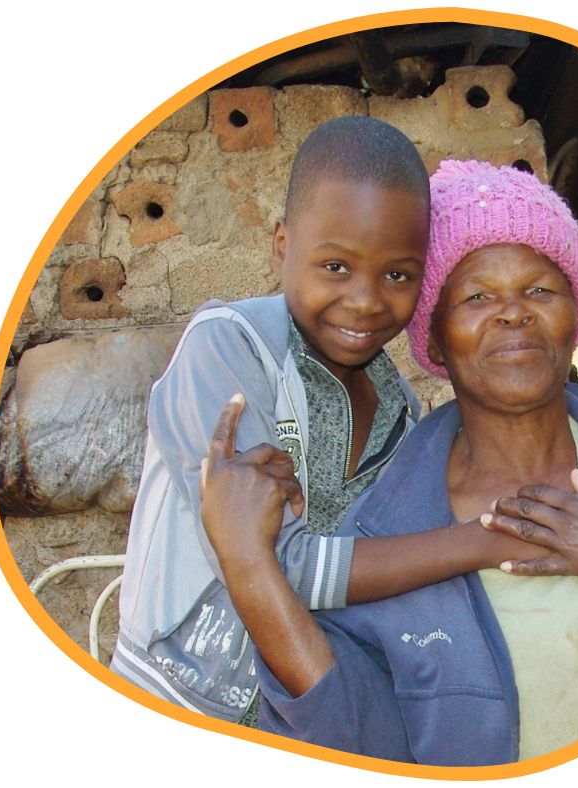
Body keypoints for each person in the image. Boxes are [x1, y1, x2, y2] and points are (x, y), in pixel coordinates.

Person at [199, 159, 578, 762]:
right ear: (436, 339)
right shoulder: (391, 535)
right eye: (476, 295)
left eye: (539, 289)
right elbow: (347, 733)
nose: (512, 312)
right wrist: (246, 561)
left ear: (574, 315)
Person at [112, 123, 544, 726]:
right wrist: (487, 537)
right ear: (282, 246)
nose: (366, 301)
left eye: (398, 275)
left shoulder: (398, 410)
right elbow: (275, 565)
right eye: (336, 266)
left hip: (303, 709)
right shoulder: (227, 352)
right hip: (178, 692)